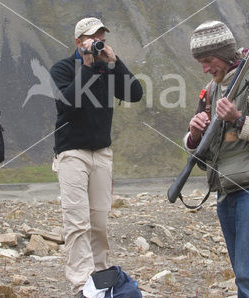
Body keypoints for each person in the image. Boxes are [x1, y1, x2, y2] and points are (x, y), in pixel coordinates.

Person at [184, 20, 249, 298]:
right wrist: (194, 134)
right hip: (226, 192)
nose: (205, 68)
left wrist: (238, 119)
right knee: (244, 277)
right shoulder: (211, 90)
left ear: (225, 53)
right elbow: (203, 151)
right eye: (201, 62)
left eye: (208, 60)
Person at [50, 17, 143, 297]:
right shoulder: (63, 68)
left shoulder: (107, 67)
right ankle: (81, 284)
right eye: (92, 37)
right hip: (71, 152)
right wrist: (88, 68)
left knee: (99, 221)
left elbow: (135, 93)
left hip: (102, 152)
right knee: (77, 221)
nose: (98, 41)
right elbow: (67, 105)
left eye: (101, 36)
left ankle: (99, 280)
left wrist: (115, 62)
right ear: (78, 42)